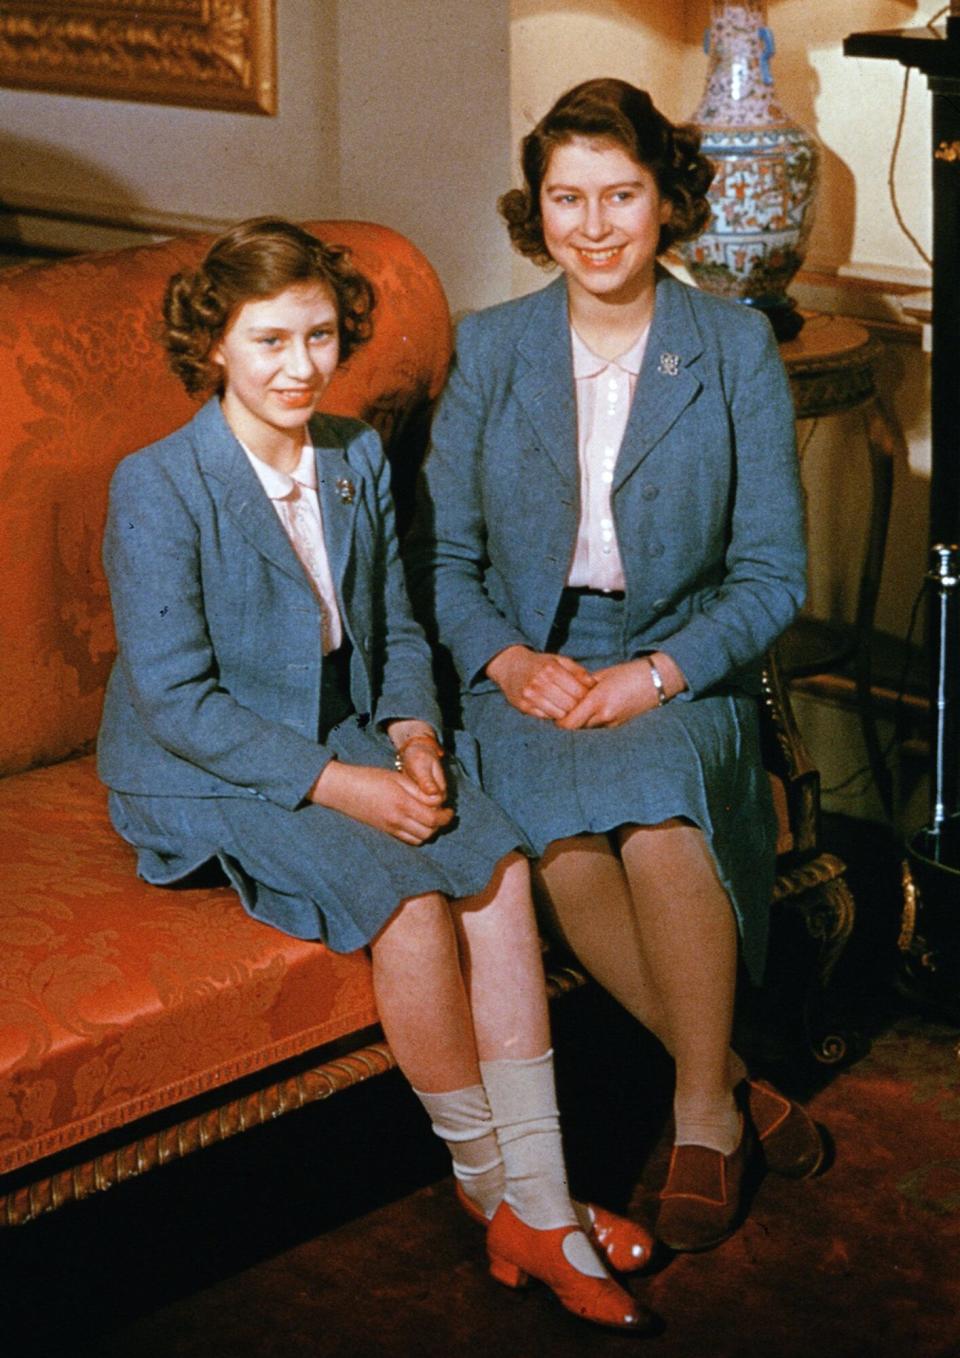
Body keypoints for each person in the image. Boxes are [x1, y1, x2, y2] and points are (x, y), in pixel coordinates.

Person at [97, 217, 658, 1332]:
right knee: (405, 899)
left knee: (494, 868)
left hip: (342, 724)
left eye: (318, 335)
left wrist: (409, 731)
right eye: (268, 341)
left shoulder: (352, 455)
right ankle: (496, 1189)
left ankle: (541, 1199)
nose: (300, 366)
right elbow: (178, 700)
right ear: (214, 345)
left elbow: (398, 626)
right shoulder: (158, 483)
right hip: (201, 761)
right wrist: (349, 787)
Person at [406, 80, 823, 1255]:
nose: (593, 226)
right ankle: (737, 1078)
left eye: (621, 195)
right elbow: (438, 557)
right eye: (566, 197)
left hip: (678, 671)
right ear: (535, 210)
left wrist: (657, 676)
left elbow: (773, 575)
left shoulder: (733, 345)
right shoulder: (490, 350)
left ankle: (702, 1112)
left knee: (659, 824)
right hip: (529, 672)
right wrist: (502, 654)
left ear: (667, 202)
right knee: (568, 845)